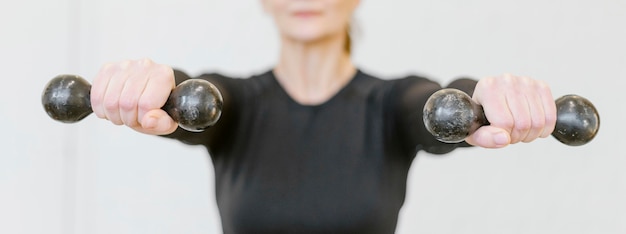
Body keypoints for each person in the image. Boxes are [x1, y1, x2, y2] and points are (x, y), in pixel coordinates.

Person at [89, 0, 556, 233]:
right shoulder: (231, 104)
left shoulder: (392, 104)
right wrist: (150, 87)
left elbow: (436, 107)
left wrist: (485, 100)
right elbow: (192, 97)